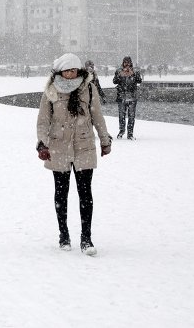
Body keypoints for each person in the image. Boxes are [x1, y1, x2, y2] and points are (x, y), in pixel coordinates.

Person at [36, 53, 112, 256]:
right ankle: (64, 235)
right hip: (58, 147)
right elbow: (43, 120)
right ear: (60, 71)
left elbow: (97, 116)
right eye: (67, 70)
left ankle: (86, 239)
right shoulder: (51, 90)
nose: (71, 73)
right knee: (61, 193)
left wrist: (104, 140)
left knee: (85, 193)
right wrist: (42, 143)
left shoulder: (88, 87)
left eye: (74, 70)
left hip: (84, 145)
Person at [113, 56, 143, 140]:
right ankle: (121, 131)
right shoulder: (119, 71)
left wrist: (133, 74)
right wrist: (120, 75)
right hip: (121, 96)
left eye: (128, 62)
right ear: (123, 63)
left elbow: (139, 81)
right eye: (125, 62)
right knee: (121, 115)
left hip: (132, 97)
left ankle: (130, 134)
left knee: (131, 116)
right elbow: (114, 81)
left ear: (131, 63)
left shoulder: (135, 71)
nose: (126, 64)